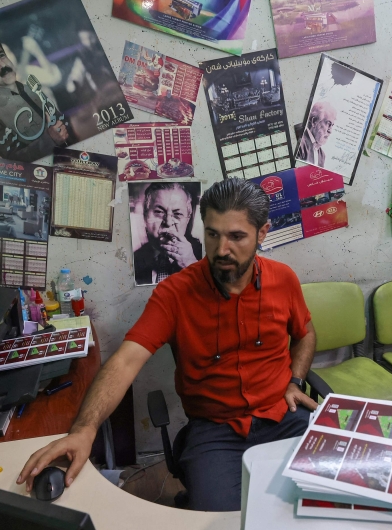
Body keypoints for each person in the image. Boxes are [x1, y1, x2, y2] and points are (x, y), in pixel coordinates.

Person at [18, 178, 318, 511]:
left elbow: (305, 333)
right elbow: (125, 361)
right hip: (216, 431)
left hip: (282, 415)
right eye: (213, 234)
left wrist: (296, 381)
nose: (221, 250)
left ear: (262, 234)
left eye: (236, 237)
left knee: (330, 493)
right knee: (221, 527)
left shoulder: (284, 279)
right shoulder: (175, 294)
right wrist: (84, 429)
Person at [0, 31, 70, 162]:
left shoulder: (29, 75)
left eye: (2, 55)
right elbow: (15, 158)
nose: (2, 64)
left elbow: (54, 78)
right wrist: (50, 139)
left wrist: (37, 51)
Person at [132, 182, 203, 285]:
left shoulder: (205, 255)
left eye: (177, 214)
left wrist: (191, 264)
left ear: (187, 219)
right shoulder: (133, 260)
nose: (168, 222)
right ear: (145, 215)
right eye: (159, 212)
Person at [295, 100, 337, 167]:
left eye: (332, 125)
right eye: (328, 123)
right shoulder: (299, 142)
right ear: (314, 121)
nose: (330, 131)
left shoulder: (322, 156)